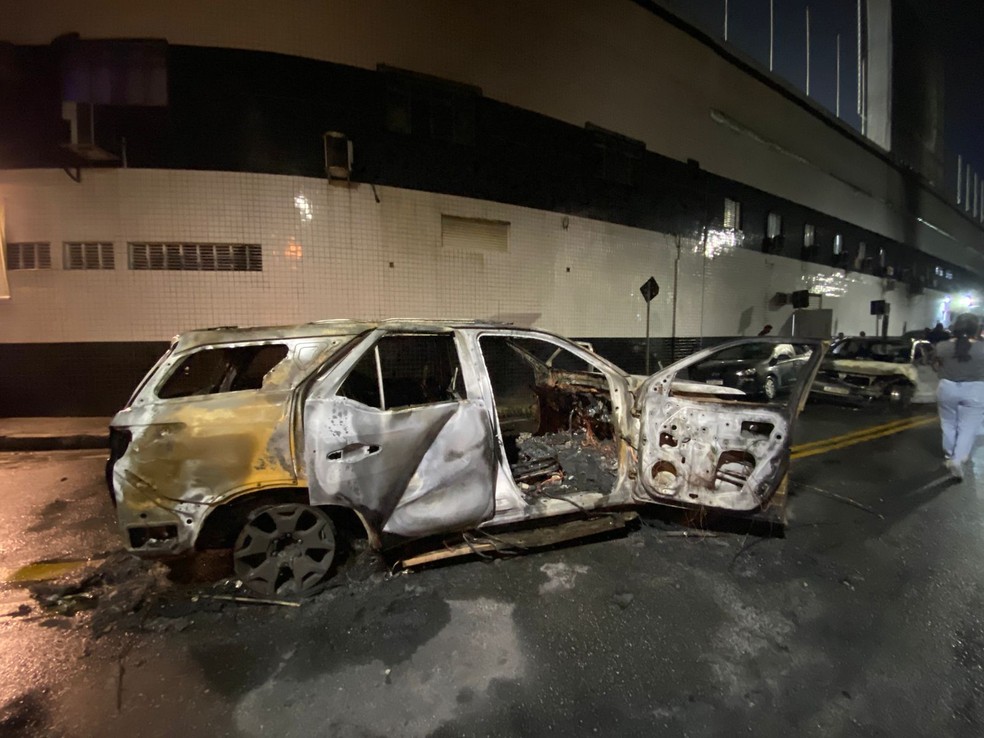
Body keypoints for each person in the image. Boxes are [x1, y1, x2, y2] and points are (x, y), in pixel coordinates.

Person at [934, 313, 984, 480]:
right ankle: (958, 458)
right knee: (967, 428)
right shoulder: (982, 348)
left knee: (948, 424)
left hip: (947, 388)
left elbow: (936, 366)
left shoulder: (942, 346)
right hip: (975, 389)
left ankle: (949, 456)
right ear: (976, 329)